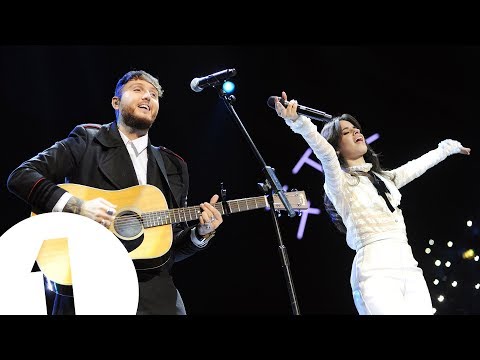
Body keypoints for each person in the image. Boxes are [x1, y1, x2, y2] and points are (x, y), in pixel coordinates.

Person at [7, 69, 223, 315]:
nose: (147, 97)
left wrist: (199, 234)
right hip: (91, 287)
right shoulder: (87, 140)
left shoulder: (174, 165)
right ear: (116, 102)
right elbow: (21, 176)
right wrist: (78, 206)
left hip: (153, 296)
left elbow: (166, 247)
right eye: (138, 90)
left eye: (154, 94)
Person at [274, 91, 471, 315]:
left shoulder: (386, 179)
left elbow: (416, 166)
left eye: (356, 128)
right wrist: (298, 122)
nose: (356, 131)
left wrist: (447, 148)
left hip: (409, 266)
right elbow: (325, 154)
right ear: (337, 147)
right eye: (346, 132)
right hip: (375, 269)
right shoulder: (340, 183)